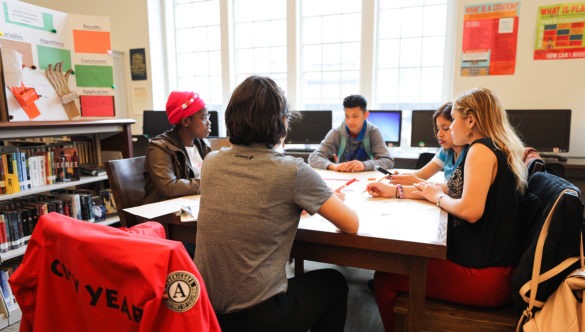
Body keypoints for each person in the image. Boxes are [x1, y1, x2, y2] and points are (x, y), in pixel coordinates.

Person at [194, 75, 359, 332]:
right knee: (334, 282)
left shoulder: (212, 162)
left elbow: (247, 198)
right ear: (282, 121)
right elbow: (351, 224)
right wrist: (328, 198)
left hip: (205, 311)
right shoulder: (292, 171)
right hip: (258, 318)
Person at [366, 87, 527, 331]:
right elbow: (449, 190)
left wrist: (438, 198)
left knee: (385, 276)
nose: (450, 129)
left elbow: (470, 210)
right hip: (492, 267)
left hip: (486, 277)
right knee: (407, 257)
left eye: (454, 121)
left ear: (470, 120)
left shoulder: (480, 150)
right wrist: (397, 191)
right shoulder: (493, 147)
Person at [143, 91, 212, 204]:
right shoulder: (159, 148)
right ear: (186, 121)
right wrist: (210, 183)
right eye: (204, 118)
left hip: (192, 205)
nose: (209, 122)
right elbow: (170, 187)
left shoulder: (202, 144)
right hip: (166, 213)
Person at [308, 94, 394, 172]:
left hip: (367, 178)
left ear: (366, 115)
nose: (350, 121)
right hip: (342, 178)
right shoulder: (337, 132)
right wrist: (334, 166)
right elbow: (313, 158)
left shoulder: (373, 132)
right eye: (347, 116)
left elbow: (388, 161)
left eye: (355, 116)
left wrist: (364, 165)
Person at [389, 102, 468, 185]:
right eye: (437, 129)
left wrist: (416, 181)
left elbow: (455, 190)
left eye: (446, 128)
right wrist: (401, 178)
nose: (439, 134)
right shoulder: (446, 150)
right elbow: (423, 173)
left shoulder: (470, 153)